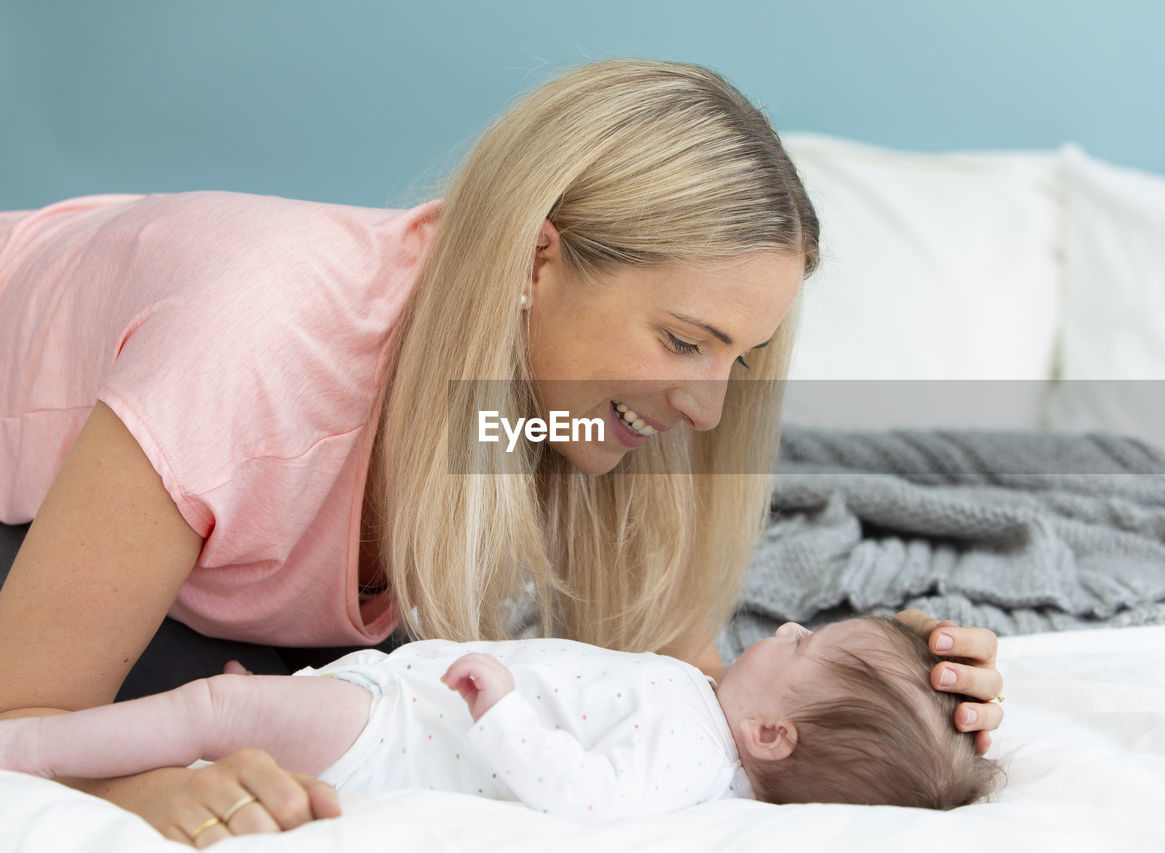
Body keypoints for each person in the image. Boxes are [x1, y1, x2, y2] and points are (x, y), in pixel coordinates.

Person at [0, 59, 1004, 844]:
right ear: (537, 259)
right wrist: (135, 789)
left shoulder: (532, 413)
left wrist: (894, 693)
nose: (706, 408)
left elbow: (680, 683)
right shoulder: (251, 356)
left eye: (736, 360)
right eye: (683, 341)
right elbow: (22, 712)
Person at [0, 616, 1000, 835]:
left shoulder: (693, 749)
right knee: (233, 707)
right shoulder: (699, 701)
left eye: (802, 641)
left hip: (399, 729)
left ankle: (29, 746)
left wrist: (504, 707)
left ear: (773, 738)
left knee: (224, 708)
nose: (783, 623)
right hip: (394, 695)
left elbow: (593, 800)